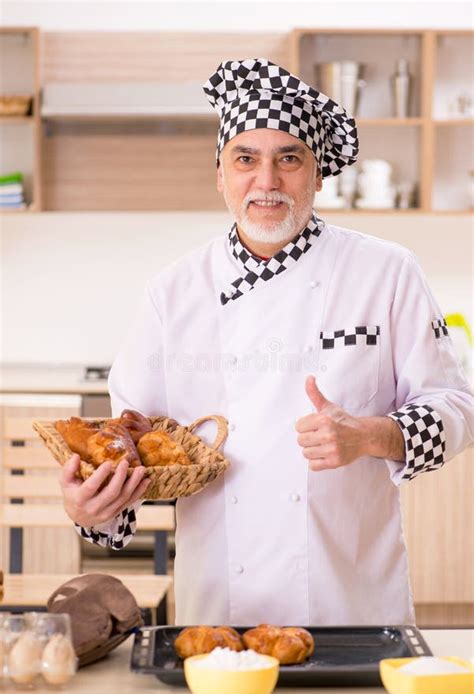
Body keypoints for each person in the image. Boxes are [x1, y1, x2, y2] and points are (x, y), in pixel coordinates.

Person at [60, 58, 473, 626]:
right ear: (221, 174)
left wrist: (376, 434)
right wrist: (93, 510)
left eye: (289, 159)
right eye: (246, 159)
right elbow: (126, 444)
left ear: (319, 173)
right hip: (220, 610)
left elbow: (456, 406)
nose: (268, 181)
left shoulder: (386, 272)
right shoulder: (174, 292)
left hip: (350, 601)